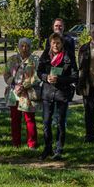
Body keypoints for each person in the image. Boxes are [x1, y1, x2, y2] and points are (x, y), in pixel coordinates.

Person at [37, 32, 79, 160]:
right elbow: (39, 72)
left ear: (62, 44)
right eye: (53, 43)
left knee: (60, 122)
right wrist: (46, 78)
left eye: (58, 43)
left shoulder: (68, 56)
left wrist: (59, 79)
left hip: (62, 93)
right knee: (46, 122)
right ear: (50, 43)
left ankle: (58, 149)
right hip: (47, 92)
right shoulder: (45, 55)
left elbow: (75, 76)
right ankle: (47, 148)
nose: (55, 45)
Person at [4, 37, 40, 148]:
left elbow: (37, 76)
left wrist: (25, 85)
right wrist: (14, 84)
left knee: (29, 119)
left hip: (27, 93)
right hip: (14, 92)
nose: (24, 48)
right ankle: (16, 143)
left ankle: (32, 144)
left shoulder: (35, 60)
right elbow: (6, 74)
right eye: (22, 46)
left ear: (30, 47)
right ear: (18, 47)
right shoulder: (12, 59)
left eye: (27, 46)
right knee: (15, 119)